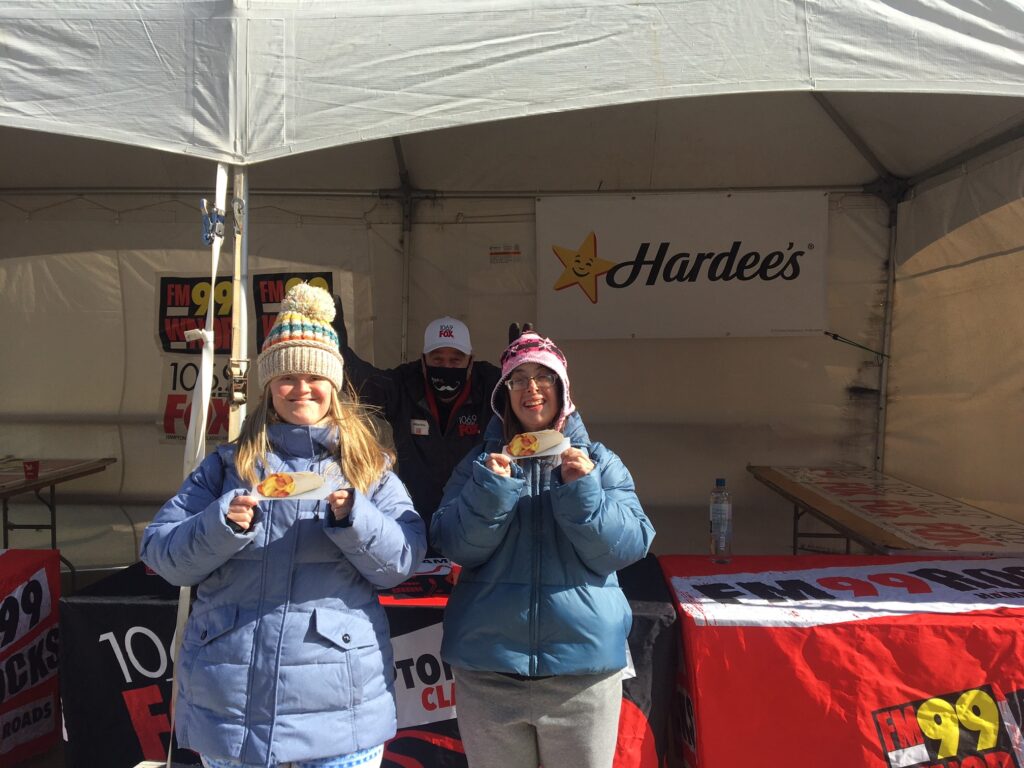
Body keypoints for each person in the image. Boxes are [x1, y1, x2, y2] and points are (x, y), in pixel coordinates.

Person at [140, 282, 427, 768]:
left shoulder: (367, 466)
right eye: (286, 377)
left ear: (334, 383)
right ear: (269, 385)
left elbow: (402, 559)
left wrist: (356, 520)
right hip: (232, 714)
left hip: (339, 714)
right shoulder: (228, 464)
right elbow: (161, 553)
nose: (301, 389)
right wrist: (221, 524)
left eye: (314, 376)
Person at [429, 329, 655, 768]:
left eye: (544, 376)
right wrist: (491, 491)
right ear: (504, 394)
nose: (531, 388)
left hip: (582, 678)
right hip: (489, 675)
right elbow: (454, 545)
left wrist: (583, 491)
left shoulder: (600, 462)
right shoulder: (478, 465)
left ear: (563, 388)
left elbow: (627, 547)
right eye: (518, 379)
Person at [332, 297, 500, 536]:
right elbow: (362, 381)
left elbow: (524, 393)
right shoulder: (405, 384)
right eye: (437, 359)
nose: (446, 367)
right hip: (417, 523)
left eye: (455, 360)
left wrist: (520, 361)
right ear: (423, 361)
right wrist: (337, 346)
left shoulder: (490, 386)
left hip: (472, 523)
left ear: (471, 362)